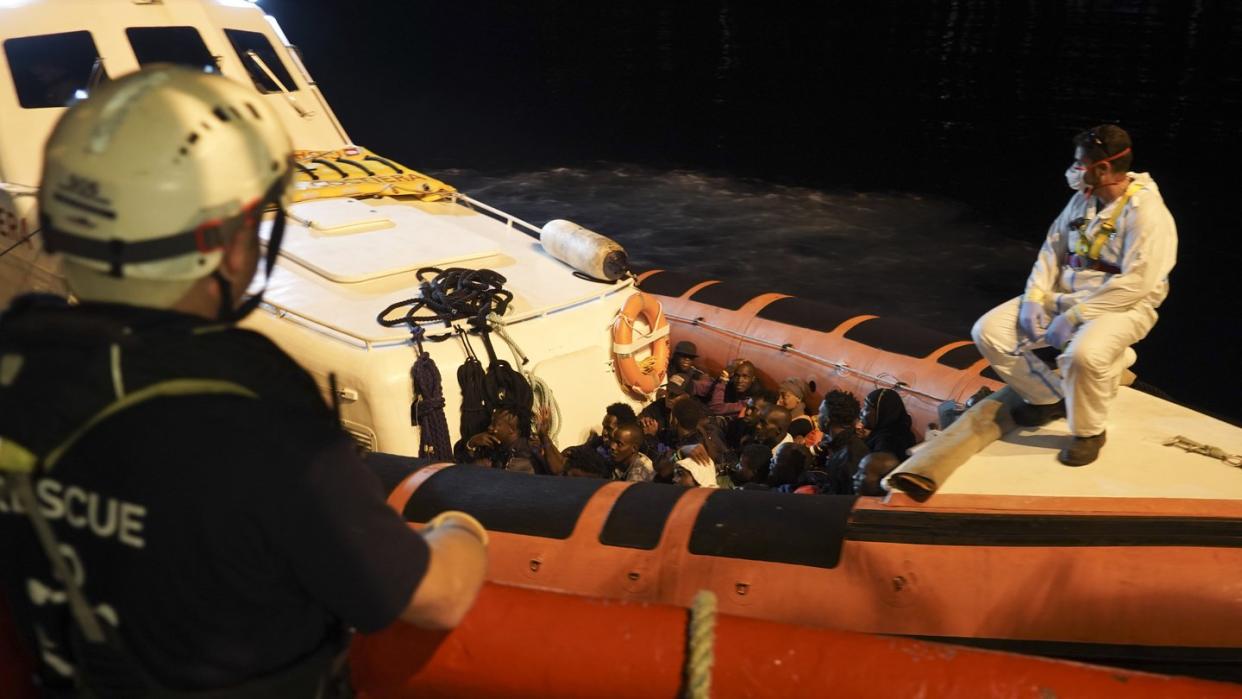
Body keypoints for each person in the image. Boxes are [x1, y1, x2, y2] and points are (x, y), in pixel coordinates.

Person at [0, 68, 487, 695]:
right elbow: (433, 597)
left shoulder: (21, 357)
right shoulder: (254, 409)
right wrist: (462, 531)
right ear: (226, 248)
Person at [972, 125, 1177, 466]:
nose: (1074, 170)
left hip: (1121, 306)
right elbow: (1052, 248)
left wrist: (1076, 317)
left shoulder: (1147, 213)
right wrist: (1035, 296)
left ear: (1103, 169)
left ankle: (1089, 432)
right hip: (1064, 295)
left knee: (1082, 356)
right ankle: (1046, 398)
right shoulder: (1083, 200)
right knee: (989, 332)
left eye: (1080, 164)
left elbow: (1137, 283)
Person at [457, 407, 549, 474]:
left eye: (495, 424)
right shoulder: (492, 447)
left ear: (511, 429)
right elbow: (460, 466)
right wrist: (471, 443)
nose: (490, 428)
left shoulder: (530, 449)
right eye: (490, 423)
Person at [815, 389, 870, 494]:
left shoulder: (850, 454)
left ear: (827, 420)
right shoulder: (836, 443)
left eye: (820, 412)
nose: (818, 417)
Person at [861, 388, 916, 461]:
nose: (861, 411)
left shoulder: (887, 441)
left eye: (866, 408)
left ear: (882, 413)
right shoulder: (902, 431)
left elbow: (873, 469)